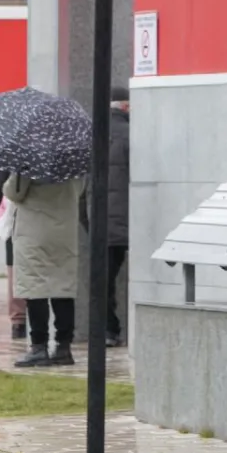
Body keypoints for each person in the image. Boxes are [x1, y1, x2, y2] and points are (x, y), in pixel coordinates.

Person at [7, 171, 84, 368]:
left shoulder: (29, 161)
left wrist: (12, 176)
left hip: (35, 233)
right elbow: (80, 190)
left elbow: (14, 192)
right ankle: (63, 347)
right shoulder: (74, 162)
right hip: (64, 232)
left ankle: (39, 346)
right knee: (63, 288)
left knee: (35, 288)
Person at [0, 171, 27, 340]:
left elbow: (0, 187)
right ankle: (19, 320)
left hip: (16, 217)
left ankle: (19, 321)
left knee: (15, 270)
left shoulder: (12, 150)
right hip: (22, 219)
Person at [104, 87, 130, 346]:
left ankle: (109, 330)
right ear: (126, 107)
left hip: (101, 221)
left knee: (104, 279)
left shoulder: (92, 134)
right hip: (130, 219)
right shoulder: (133, 133)